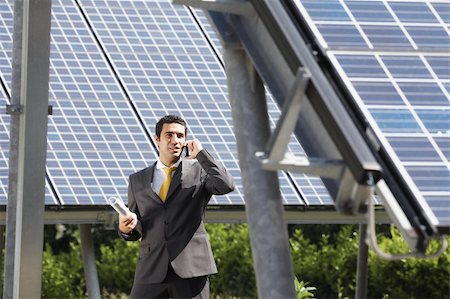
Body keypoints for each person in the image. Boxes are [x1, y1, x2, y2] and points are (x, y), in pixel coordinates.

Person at [118, 114, 235, 298]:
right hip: (151, 268)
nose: (175, 140)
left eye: (180, 136)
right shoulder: (137, 180)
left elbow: (226, 185)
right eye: (169, 135)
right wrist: (126, 229)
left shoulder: (200, 172)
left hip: (191, 268)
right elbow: (137, 227)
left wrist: (202, 155)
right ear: (157, 139)